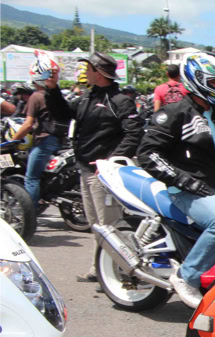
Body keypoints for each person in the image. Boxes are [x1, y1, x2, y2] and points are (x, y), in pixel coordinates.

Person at [137, 52, 215, 308]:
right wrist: (185, 181)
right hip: (186, 189)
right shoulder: (174, 113)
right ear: (196, 80)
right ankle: (187, 276)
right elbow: (148, 153)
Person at [44, 52, 143, 283]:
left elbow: (134, 133)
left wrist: (111, 161)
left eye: (87, 69)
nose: (84, 72)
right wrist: (52, 88)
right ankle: (99, 269)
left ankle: (122, 273)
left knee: (111, 226)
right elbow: (63, 114)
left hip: (105, 173)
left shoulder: (120, 101)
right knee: (96, 225)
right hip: (85, 169)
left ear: (98, 72)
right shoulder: (88, 97)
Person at [11, 56, 66, 206]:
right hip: (60, 140)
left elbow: (28, 124)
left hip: (44, 141)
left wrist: (13, 141)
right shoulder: (54, 95)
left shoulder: (36, 96)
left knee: (31, 178)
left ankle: (30, 210)